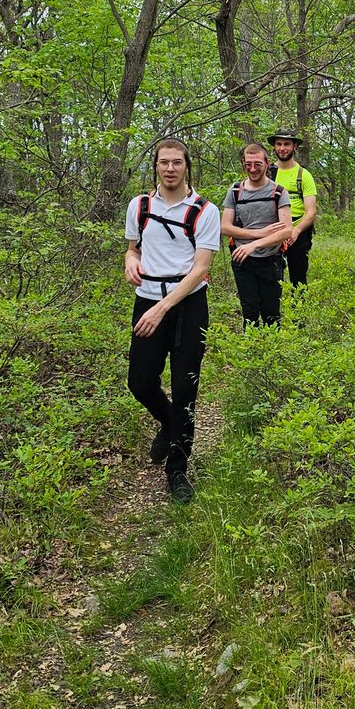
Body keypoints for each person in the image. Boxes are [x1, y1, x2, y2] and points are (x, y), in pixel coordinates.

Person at [124, 138, 221, 504]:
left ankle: (177, 470)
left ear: (187, 166)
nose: (170, 169)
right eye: (164, 162)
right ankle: (169, 423)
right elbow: (132, 248)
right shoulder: (140, 206)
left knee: (184, 389)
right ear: (155, 166)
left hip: (187, 305)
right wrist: (130, 262)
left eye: (176, 162)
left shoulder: (204, 211)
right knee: (140, 382)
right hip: (147, 299)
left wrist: (162, 308)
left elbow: (200, 270)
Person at [221, 142, 292, 326]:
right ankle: (250, 344)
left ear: (267, 163)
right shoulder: (235, 191)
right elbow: (225, 227)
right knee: (249, 313)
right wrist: (260, 233)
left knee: (271, 314)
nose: (252, 169)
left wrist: (254, 244)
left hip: (271, 260)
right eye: (248, 164)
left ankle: (272, 344)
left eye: (257, 164)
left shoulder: (278, 192)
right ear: (243, 163)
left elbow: (286, 230)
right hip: (242, 261)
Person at [269, 131, 318, 288]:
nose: (282, 148)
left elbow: (311, 211)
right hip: (272, 231)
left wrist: (296, 231)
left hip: (299, 232)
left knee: (298, 278)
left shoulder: (304, 175)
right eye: (279, 144)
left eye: (287, 144)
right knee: (271, 278)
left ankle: (299, 303)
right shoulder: (267, 173)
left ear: (294, 146)